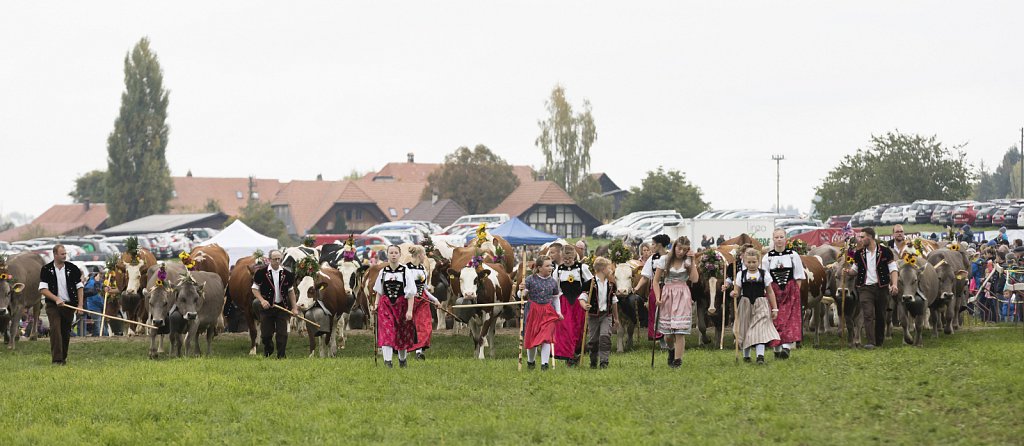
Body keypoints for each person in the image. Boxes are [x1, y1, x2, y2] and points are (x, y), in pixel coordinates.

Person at [843, 227, 898, 349]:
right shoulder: (859, 254)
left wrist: (894, 284)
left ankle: (879, 341)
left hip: (882, 287)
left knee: (880, 315)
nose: (860, 239)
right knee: (867, 314)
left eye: (862, 237)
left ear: (870, 237)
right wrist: (848, 271)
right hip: (865, 288)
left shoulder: (885, 252)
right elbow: (855, 270)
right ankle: (870, 342)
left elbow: (893, 269)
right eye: (860, 237)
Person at [652, 236, 698, 368]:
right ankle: (671, 350)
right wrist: (658, 297)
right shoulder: (664, 260)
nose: (681, 252)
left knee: (679, 331)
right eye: (679, 248)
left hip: (682, 294)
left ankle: (678, 361)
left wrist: (693, 259)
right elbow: (655, 281)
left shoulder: (688, 262)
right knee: (668, 335)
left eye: (684, 249)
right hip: (667, 294)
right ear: (674, 247)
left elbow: (694, 279)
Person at [729, 247, 780, 365]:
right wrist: (734, 293)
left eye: (754, 262)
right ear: (744, 261)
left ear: (759, 261)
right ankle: (746, 355)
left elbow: (770, 291)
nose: (751, 264)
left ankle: (760, 356)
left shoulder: (764, 274)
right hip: (745, 304)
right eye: (749, 262)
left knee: (759, 329)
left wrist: (775, 308)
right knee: (745, 329)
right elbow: (737, 290)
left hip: (761, 303)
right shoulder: (741, 274)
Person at [763, 228, 806, 359]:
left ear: (785, 238)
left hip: (790, 290)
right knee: (775, 319)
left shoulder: (793, 255)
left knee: (789, 319)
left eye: (781, 237)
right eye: (777, 237)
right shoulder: (768, 257)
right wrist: (769, 292)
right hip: (773, 291)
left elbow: (799, 275)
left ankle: (786, 347)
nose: (779, 240)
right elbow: (765, 277)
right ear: (773, 239)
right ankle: (776, 348)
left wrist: (795, 292)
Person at [38, 245, 84, 365]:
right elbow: (43, 289)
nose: (65, 256)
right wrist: (56, 298)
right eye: (62, 254)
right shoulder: (46, 269)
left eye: (65, 254)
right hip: (53, 306)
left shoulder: (72, 268)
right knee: (55, 329)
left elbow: (80, 288)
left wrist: (80, 305)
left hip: (69, 306)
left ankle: (63, 358)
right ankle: (57, 360)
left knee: (65, 332)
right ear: (55, 255)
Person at [373, 245, 418, 368]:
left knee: (402, 333)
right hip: (386, 305)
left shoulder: (405, 271)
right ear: (387, 255)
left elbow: (411, 293)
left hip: (402, 305)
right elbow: (379, 291)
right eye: (391, 253)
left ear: (399, 255)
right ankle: (388, 362)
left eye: (396, 253)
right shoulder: (383, 272)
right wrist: (376, 305)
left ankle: (402, 360)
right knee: (386, 332)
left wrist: (409, 311)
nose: (393, 255)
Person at [251, 249, 297, 358]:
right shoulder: (261, 273)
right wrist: (262, 300)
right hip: (267, 309)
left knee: (282, 334)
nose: (277, 261)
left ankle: (281, 356)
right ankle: (268, 349)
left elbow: (291, 292)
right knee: (266, 335)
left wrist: (294, 308)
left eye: (279, 259)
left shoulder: (287, 274)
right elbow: (254, 289)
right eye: (275, 259)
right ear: (269, 260)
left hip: (282, 307)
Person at [520, 255, 563, 370]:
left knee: (547, 337)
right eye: (547, 265)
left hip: (548, 312)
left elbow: (555, 298)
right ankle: (531, 362)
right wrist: (521, 290)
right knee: (532, 338)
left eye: (551, 265)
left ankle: (545, 364)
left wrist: (558, 312)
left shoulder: (553, 282)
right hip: (533, 311)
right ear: (539, 268)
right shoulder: (530, 279)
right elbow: (521, 296)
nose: (551, 268)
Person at [554, 244, 592, 366]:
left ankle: (576, 352)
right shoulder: (558, 270)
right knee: (566, 328)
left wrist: (586, 297)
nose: (567, 261)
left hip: (578, 302)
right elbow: (555, 287)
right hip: (565, 302)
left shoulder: (582, 268)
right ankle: (569, 356)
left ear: (574, 257)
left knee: (578, 328)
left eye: (569, 259)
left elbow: (591, 282)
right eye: (565, 259)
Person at [580, 256, 620, 369]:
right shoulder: (590, 283)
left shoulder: (611, 284)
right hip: (593, 316)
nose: (611, 270)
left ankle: (604, 362)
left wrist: (616, 319)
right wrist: (584, 305)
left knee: (605, 338)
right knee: (593, 340)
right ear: (602, 269)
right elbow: (582, 297)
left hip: (606, 315)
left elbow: (614, 301)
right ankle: (593, 361)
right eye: (609, 268)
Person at [633, 234, 670, 344]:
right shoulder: (653, 258)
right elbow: (645, 277)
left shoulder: (671, 256)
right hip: (656, 288)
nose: (652, 246)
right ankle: (661, 340)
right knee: (656, 314)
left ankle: (671, 339)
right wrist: (637, 288)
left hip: (670, 288)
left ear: (659, 245)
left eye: (653, 244)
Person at [406, 245, 441, 361]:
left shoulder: (423, 270)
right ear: (420, 255)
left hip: (422, 300)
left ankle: (419, 351)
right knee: (409, 326)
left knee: (425, 326)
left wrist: (435, 299)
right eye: (424, 254)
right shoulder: (406, 269)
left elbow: (425, 288)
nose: (425, 256)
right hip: (408, 300)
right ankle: (405, 351)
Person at [84, 270, 105, 336]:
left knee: (100, 326)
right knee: (97, 327)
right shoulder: (92, 283)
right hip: (94, 307)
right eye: (100, 276)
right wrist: (102, 305)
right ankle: (97, 339)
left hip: (96, 307)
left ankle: (100, 337)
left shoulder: (97, 283)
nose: (101, 278)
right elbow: (95, 297)